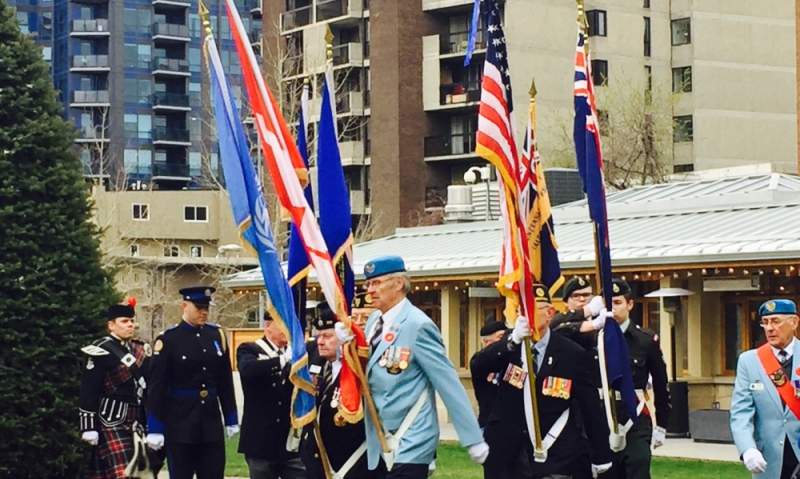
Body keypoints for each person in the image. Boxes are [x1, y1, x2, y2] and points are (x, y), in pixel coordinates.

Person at [336, 255, 488, 479]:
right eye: (368, 284)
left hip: (412, 437)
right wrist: (346, 345)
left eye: (376, 283)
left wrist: (472, 438)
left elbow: (447, 383)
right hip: (379, 436)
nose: (369, 290)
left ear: (398, 283)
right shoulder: (373, 322)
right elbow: (365, 370)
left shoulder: (418, 325)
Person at [471, 284, 612, 479]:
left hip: (555, 452)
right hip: (507, 453)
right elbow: (478, 366)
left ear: (549, 313)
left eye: (532, 309)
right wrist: (512, 341)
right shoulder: (509, 346)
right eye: (522, 310)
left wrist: (601, 456)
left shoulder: (571, 354)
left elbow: (591, 409)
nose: (525, 315)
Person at [145, 286, 238, 479]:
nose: (204, 312)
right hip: (180, 423)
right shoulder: (169, 340)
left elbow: (224, 380)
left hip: (210, 421)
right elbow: (157, 387)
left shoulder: (216, 336)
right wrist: (154, 428)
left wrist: (230, 417)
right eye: (199, 308)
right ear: (184, 306)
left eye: (206, 308)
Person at [303, 302, 385, 479]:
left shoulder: (360, 369)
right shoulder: (322, 366)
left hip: (354, 465)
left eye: (328, 336)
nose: (321, 342)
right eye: (319, 336)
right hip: (321, 465)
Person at [79, 298, 152, 479]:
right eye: (124, 322)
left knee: (139, 472)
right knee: (123, 474)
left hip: (137, 422)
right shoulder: (100, 350)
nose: (130, 325)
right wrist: (87, 426)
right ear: (111, 325)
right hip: (111, 420)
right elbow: (89, 389)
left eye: (131, 321)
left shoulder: (140, 349)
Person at [606, 279, 670, 479]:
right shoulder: (593, 338)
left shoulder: (645, 340)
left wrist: (661, 424)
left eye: (617, 303)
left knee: (638, 469)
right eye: (608, 304)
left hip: (635, 420)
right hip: (603, 418)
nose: (613, 309)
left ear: (630, 304)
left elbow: (661, 384)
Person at [731, 299, 800, 478]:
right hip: (769, 458)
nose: (769, 328)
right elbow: (741, 412)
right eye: (766, 322)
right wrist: (747, 449)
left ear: (794, 323)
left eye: (776, 321)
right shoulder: (749, 361)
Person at [237, 311, 305, 479]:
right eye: (282, 325)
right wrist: (280, 361)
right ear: (268, 326)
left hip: (289, 441)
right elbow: (248, 370)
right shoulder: (249, 349)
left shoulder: (296, 353)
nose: (287, 330)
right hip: (261, 440)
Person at [470, 321, 508, 429]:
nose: (505, 341)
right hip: (488, 424)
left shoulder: (511, 359)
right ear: (486, 342)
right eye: (500, 337)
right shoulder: (478, 360)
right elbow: (489, 358)